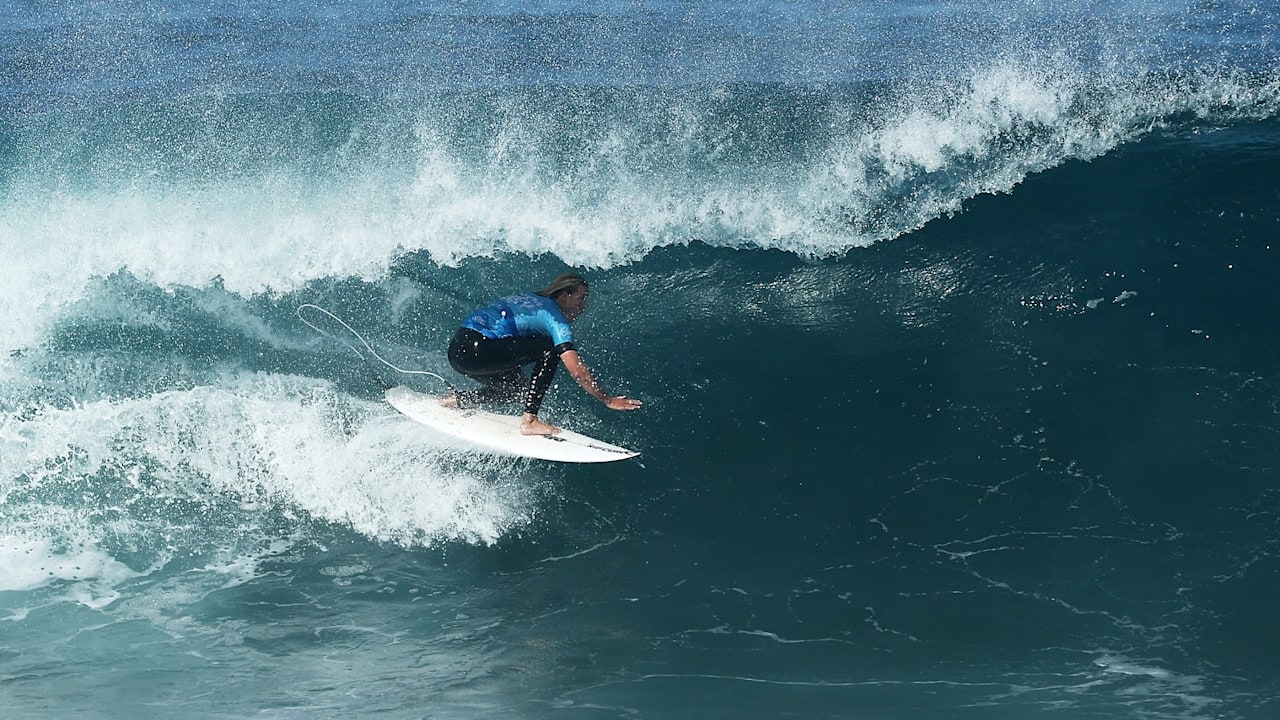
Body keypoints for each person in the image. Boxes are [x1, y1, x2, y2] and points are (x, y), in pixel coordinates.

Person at [442, 272, 643, 435]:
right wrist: (607, 399)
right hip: (479, 353)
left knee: (517, 391)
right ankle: (530, 420)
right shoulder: (554, 318)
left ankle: (458, 400)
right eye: (581, 298)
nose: (584, 306)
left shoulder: (528, 297)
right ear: (565, 295)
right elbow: (577, 372)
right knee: (550, 349)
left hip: (458, 350)